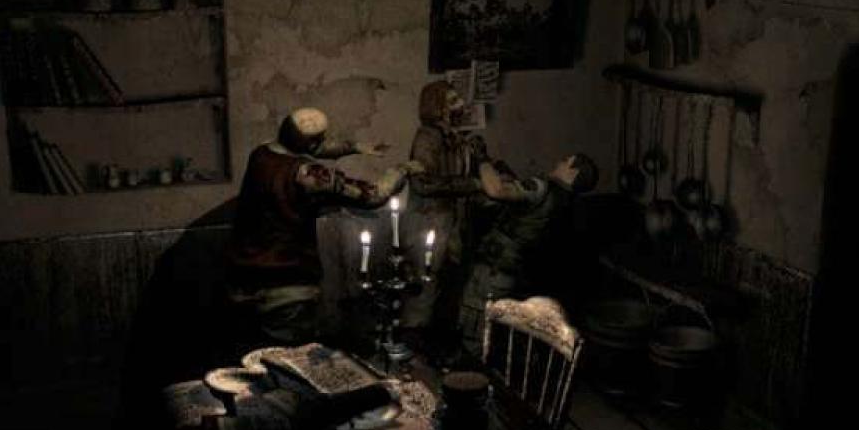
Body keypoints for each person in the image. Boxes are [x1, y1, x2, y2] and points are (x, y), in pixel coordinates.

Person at [224, 107, 417, 349]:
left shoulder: (261, 153)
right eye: (319, 139)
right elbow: (373, 195)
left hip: (242, 281)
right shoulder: (308, 174)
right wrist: (400, 171)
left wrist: (355, 147)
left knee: (250, 355)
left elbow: (310, 147)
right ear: (311, 142)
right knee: (288, 358)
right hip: (286, 288)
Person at [457, 153, 599, 355]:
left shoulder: (543, 188)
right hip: (513, 275)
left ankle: (471, 370)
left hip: (493, 272)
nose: (557, 161)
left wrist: (481, 159)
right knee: (492, 332)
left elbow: (496, 190)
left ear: (573, 172)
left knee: (475, 333)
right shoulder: (568, 203)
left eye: (564, 161)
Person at [405, 80, 490, 349]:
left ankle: (435, 345)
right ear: (437, 106)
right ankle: (413, 347)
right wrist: (471, 185)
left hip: (450, 223)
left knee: (446, 286)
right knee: (424, 287)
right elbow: (422, 183)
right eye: (453, 101)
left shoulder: (455, 137)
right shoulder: (427, 137)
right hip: (428, 221)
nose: (462, 105)